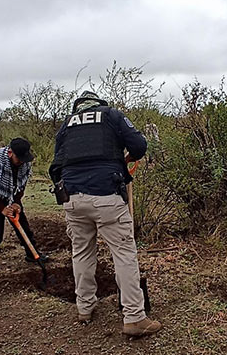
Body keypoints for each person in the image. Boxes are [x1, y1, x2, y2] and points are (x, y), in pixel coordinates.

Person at [49, 91, 162, 337]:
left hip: (72, 199)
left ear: (78, 107)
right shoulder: (111, 115)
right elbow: (140, 145)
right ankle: (134, 317)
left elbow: (55, 166)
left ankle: (84, 308)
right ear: (99, 104)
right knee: (124, 254)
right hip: (107, 196)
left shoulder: (66, 125)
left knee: (81, 252)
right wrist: (126, 159)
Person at [0, 138, 48, 271]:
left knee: (22, 223)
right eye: (19, 159)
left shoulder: (24, 162)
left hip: (10, 192)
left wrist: (16, 202)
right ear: (10, 153)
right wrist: (2, 208)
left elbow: (21, 184)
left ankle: (32, 254)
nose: (22, 162)